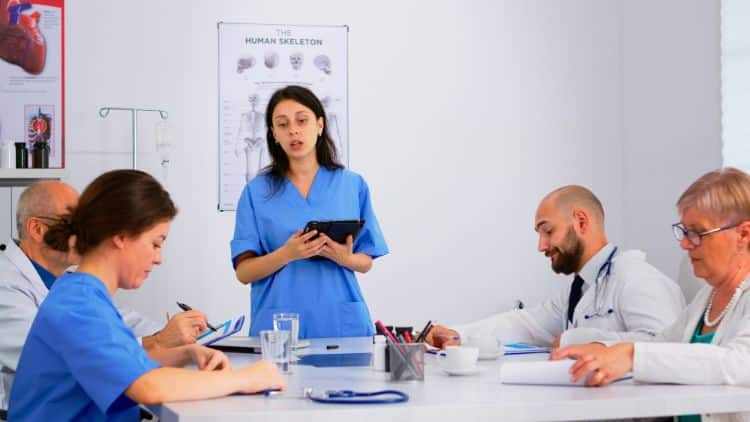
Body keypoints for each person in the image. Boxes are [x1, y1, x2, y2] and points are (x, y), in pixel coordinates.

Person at [8, 170, 285, 421]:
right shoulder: (78, 305)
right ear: (121, 236)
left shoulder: (86, 295)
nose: (158, 259)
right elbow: (148, 387)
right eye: (155, 243)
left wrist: (186, 353)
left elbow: (127, 365)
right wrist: (247, 379)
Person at [552, 168, 750, 422]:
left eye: (697, 233)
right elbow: (664, 344)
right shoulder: (706, 298)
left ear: (743, 234)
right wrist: (599, 350)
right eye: (684, 231)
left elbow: (740, 363)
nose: (684, 244)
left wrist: (632, 356)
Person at [0, 180, 209, 411]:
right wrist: (159, 341)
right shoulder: (9, 285)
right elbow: (83, 354)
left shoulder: (70, 282)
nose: (82, 234)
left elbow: (117, 323)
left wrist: (178, 343)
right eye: (72, 224)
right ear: (37, 229)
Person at [427, 185, 685, 349]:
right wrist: (456, 334)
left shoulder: (637, 279)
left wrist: (577, 339)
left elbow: (666, 347)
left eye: (548, 231)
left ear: (581, 222)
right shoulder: (580, 290)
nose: (541, 246)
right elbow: (524, 324)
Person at [231, 85, 388, 338]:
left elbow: (366, 261)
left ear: (320, 125)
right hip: (279, 327)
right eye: (282, 124)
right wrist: (287, 254)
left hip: (340, 323)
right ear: (274, 134)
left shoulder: (351, 185)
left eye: (302, 120)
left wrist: (344, 258)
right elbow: (244, 272)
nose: (293, 130)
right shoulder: (256, 192)